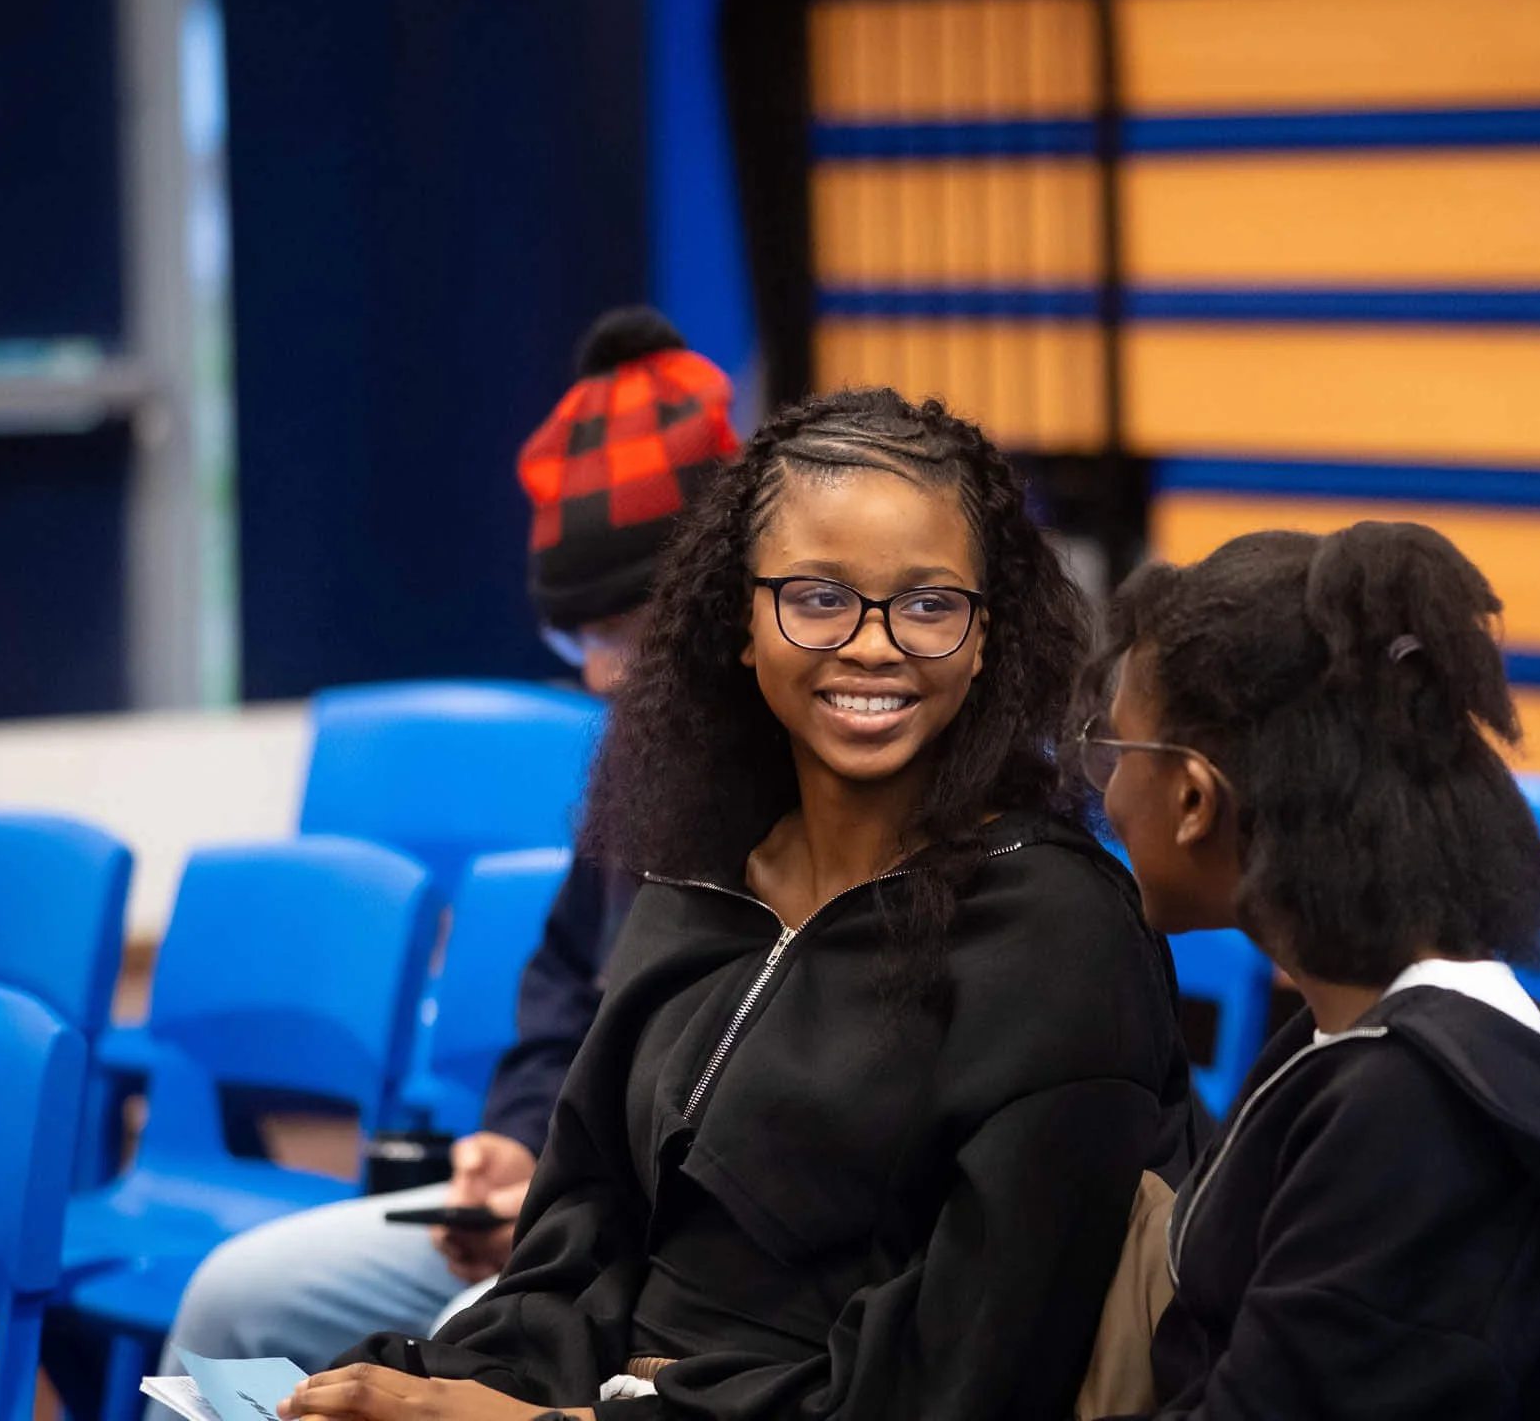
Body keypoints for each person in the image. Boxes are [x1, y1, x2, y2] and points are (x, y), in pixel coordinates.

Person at [278, 388, 1197, 1421]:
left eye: (931, 604)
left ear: (988, 638)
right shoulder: (699, 879)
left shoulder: (1054, 933)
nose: (875, 644)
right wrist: (447, 1384)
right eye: (818, 596)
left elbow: (964, 1380)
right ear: (742, 622)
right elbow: (573, 1254)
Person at [140, 307, 742, 1384]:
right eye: (579, 639)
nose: (599, 674)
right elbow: (566, 982)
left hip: (661, 1254)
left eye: (623, 632)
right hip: (557, 1209)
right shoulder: (633, 769)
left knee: (467, 1349)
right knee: (232, 1297)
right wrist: (514, 1142)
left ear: (715, 603)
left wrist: (560, 1203)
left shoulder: (788, 794)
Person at [1075, 521, 1540, 1418]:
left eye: (1117, 753)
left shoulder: (1410, 1121)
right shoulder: (1386, 1039)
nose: (1107, 792)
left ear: (1191, 799)